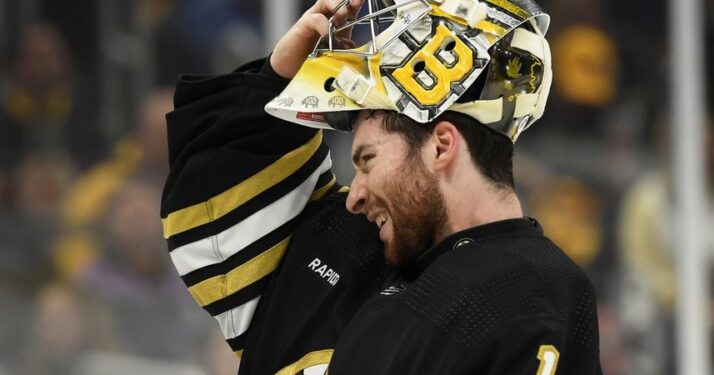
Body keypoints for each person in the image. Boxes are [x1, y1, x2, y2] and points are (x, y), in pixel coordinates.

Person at [161, 0, 602, 373]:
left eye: (367, 161)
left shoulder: (531, 287)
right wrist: (273, 80)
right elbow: (208, 219)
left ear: (440, 146)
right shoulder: (353, 245)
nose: (355, 194)